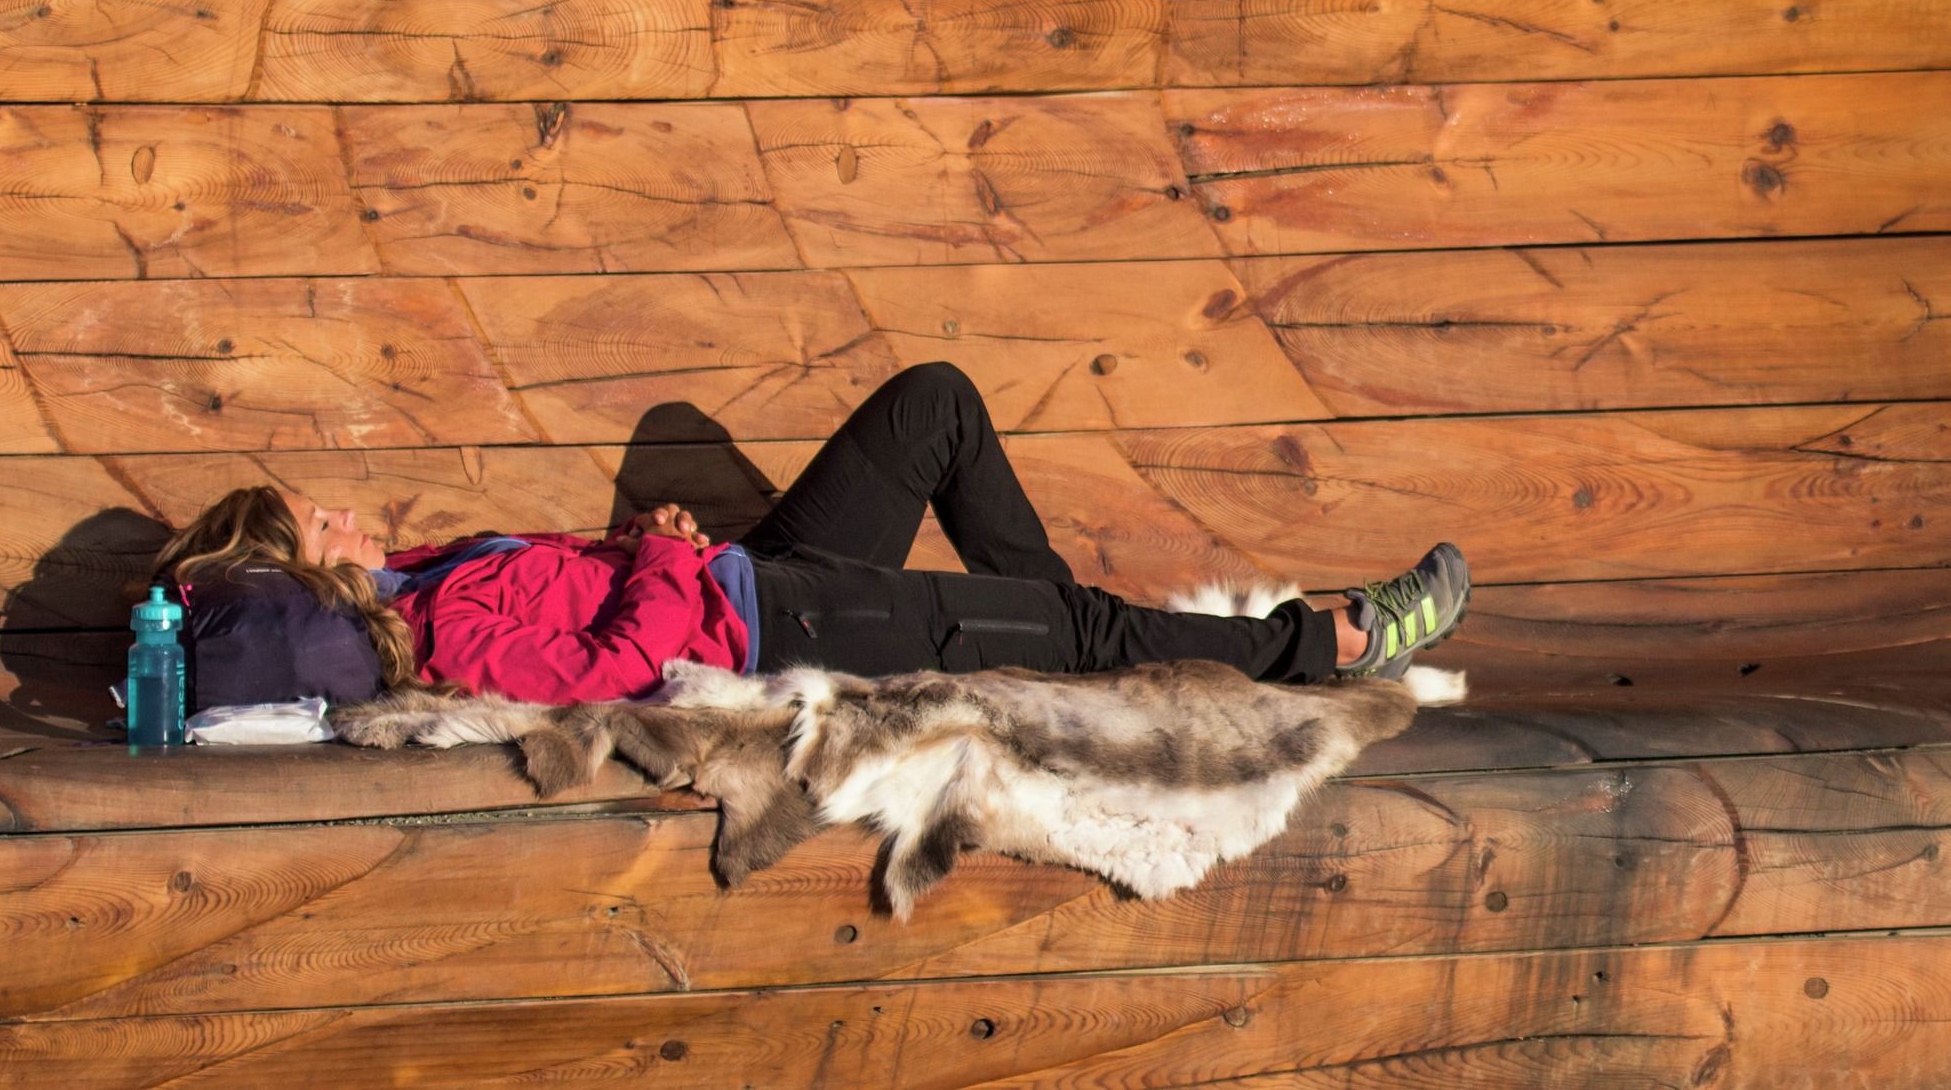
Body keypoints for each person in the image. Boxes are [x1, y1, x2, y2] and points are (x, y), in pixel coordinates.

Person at [147, 363, 1469, 712]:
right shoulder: (430, 629)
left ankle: (1065, 661)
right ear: (295, 566)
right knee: (1076, 628)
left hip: (755, 573)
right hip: (785, 622)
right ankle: (1329, 642)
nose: (343, 508)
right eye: (318, 517)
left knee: (933, 405)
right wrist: (662, 556)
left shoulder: (420, 580)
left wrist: (658, 544)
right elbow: (618, 669)